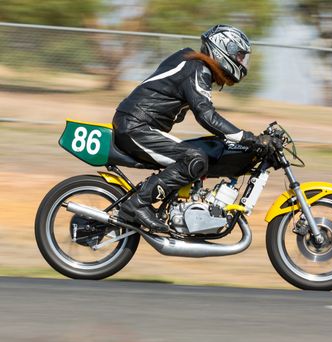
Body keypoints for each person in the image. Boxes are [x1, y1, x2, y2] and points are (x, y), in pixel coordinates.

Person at [112, 24, 268, 232]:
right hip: (136, 126)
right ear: (223, 49)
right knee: (194, 159)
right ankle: (137, 204)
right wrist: (248, 138)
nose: (241, 63)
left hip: (136, 124)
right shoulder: (196, 67)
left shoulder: (193, 63)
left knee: (203, 151)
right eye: (239, 56)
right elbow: (206, 116)